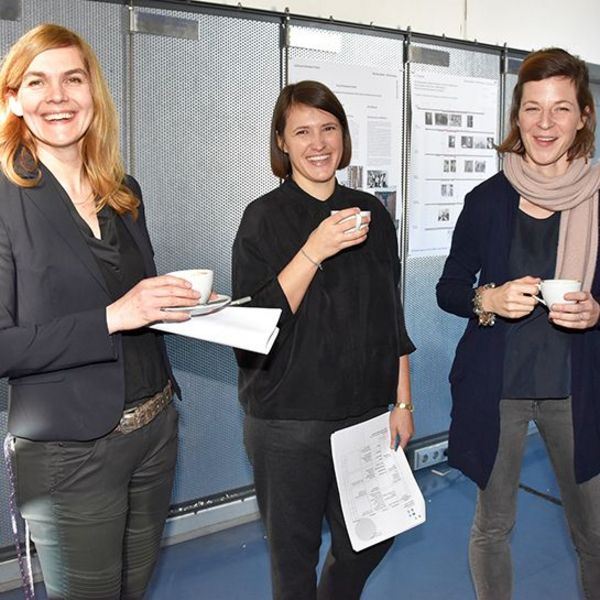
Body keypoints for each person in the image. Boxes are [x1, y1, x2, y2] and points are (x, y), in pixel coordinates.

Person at [0, 24, 201, 599]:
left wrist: (176, 302)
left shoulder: (122, 190)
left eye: (73, 79)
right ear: (13, 98)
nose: (58, 96)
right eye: (37, 82)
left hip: (156, 431)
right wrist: (114, 316)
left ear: (94, 92)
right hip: (69, 454)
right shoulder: (5, 196)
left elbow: (136, 301)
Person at [232, 80, 415, 600]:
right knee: (294, 560)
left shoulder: (371, 214)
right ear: (282, 143)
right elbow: (254, 328)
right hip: (288, 423)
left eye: (328, 128)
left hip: (365, 414)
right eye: (303, 131)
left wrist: (402, 399)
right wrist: (313, 250)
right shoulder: (263, 219)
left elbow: (391, 316)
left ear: (344, 136)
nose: (318, 143)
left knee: (374, 536)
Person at [437, 47, 600, 600]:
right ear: (517, 117)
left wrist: (598, 310)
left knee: (595, 534)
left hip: (575, 391)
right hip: (499, 390)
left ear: (582, 116)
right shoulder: (487, 200)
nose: (545, 123)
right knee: (492, 526)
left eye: (560, 108)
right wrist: (489, 297)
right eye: (533, 108)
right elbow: (449, 288)